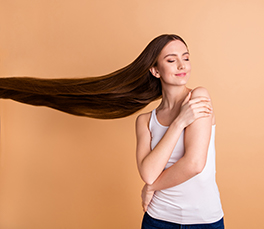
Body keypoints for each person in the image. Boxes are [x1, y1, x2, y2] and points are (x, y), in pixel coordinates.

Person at [0, 34, 224, 228]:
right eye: (171, 60)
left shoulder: (198, 97)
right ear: (155, 70)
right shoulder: (145, 121)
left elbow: (194, 164)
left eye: (185, 57)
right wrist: (177, 124)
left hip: (203, 221)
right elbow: (147, 173)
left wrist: (151, 187)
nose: (182, 65)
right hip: (159, 219)